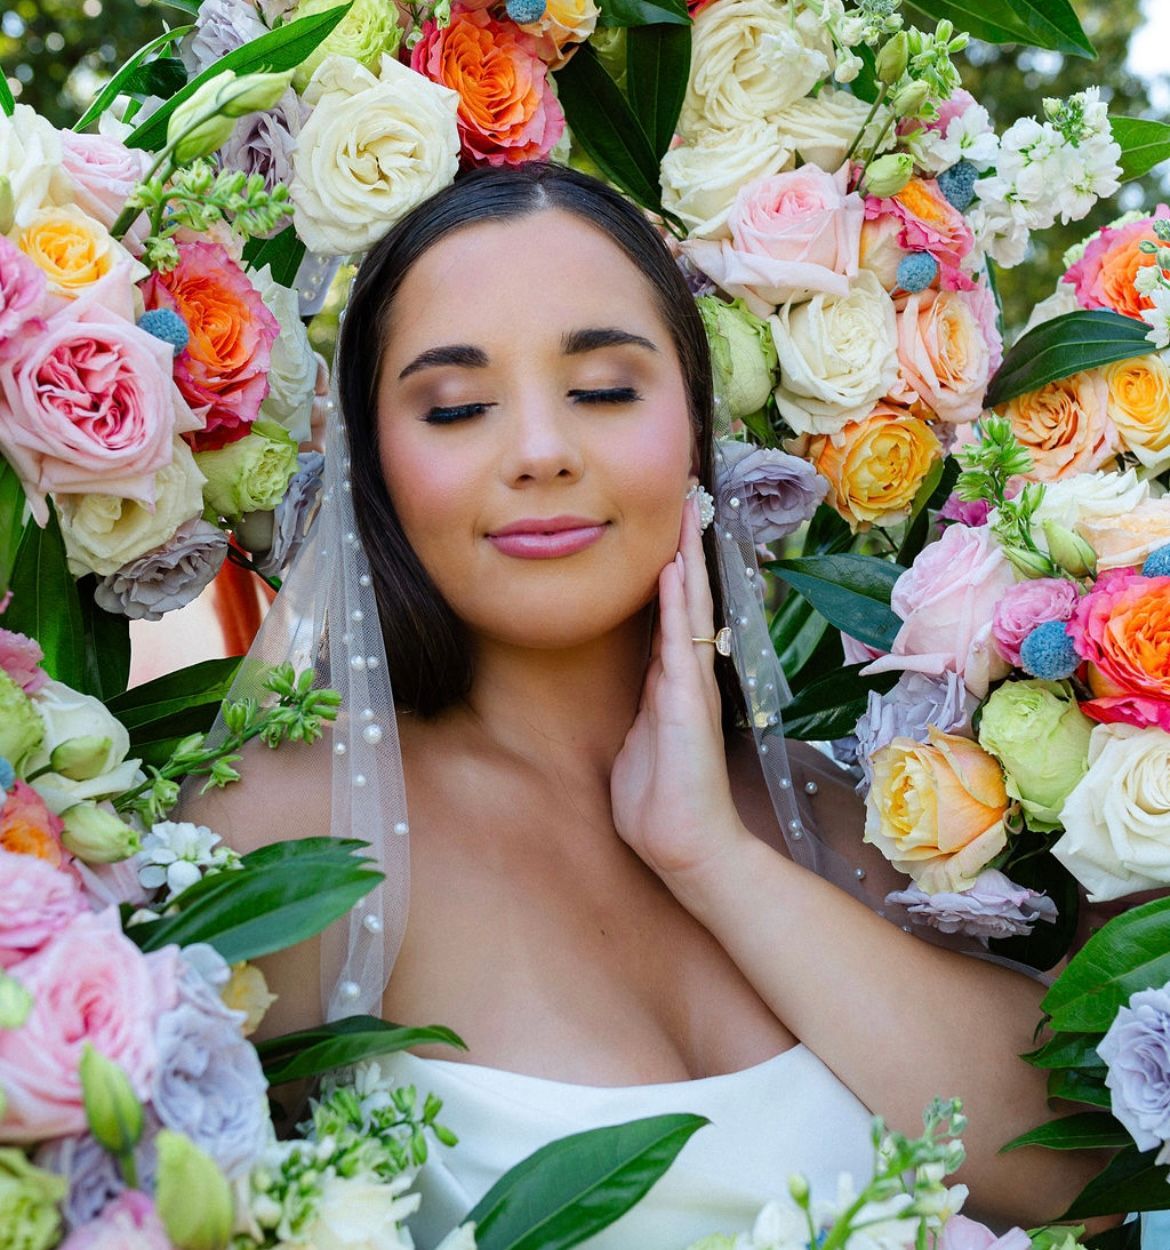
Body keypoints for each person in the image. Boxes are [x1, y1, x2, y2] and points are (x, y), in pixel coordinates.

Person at [190, 163, 1109, 1246]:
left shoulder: (878, 812)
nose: (539, 451)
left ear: (695, 432)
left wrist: (709, 856)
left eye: (605, 390)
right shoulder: (291, 831)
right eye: (456, 406)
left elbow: (1077, 1175)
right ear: (376, 467)